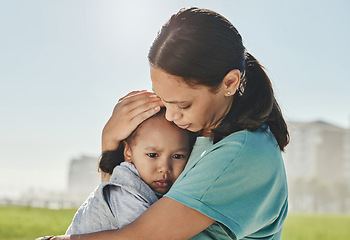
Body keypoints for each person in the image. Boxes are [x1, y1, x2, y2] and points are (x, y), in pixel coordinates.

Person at [37, 7, 289, 240]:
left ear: (230, 83)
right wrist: (113, 146)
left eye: (183, 105)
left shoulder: (242, 151)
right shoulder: (202, 134)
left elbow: (140, 235)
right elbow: (125, 207)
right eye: (165, 102)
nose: (170, 116)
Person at [65, 108, 197, 235]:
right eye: (152, 155)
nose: (165, 167)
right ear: (128, 152)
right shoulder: (126, 193)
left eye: (177, 156)